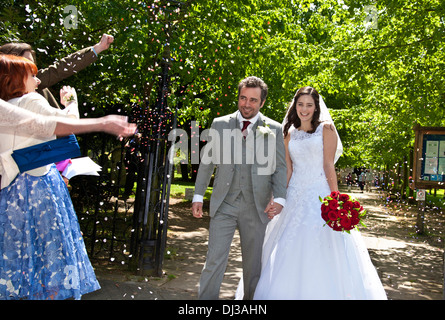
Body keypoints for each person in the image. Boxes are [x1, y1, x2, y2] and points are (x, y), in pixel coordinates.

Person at [252, 86, 387, 300]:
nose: (304, 109)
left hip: (319, 194)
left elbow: (328, 165)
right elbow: (288, 170)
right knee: (288, 244)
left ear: (316, 108)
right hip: (295, 194)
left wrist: (337, 200)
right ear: (294, 106)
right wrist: (276, 198)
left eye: (309, 105)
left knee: (323, 244)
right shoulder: (288, 133)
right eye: (300, 104)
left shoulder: (327, 129)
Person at [0, 54, 117, 300]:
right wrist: (71, 102)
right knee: (50, 262)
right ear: (17, 79)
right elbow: (66, 124)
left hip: (8, 193)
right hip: (36, 190)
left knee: (15, 260)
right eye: (31, 75)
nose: (37, 80)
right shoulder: (31, 100)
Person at [192, 76, 287, 300]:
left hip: (257, 206)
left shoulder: (274, 128)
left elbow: (280, 167)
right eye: (243, 98)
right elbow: (207, 163)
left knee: (253, 267)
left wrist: (280, 198)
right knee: (213, 261)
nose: (246, 104)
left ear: (262, 103)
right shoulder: (220, 123)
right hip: (224, 203)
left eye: (253, 100)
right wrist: (198, 195)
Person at [0, 33, 114, 109]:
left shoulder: (36, 81)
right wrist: (71, 103)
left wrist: (97, 48)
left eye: (33, 62)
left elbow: (61, 68)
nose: (33, 67)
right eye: (27, 62)